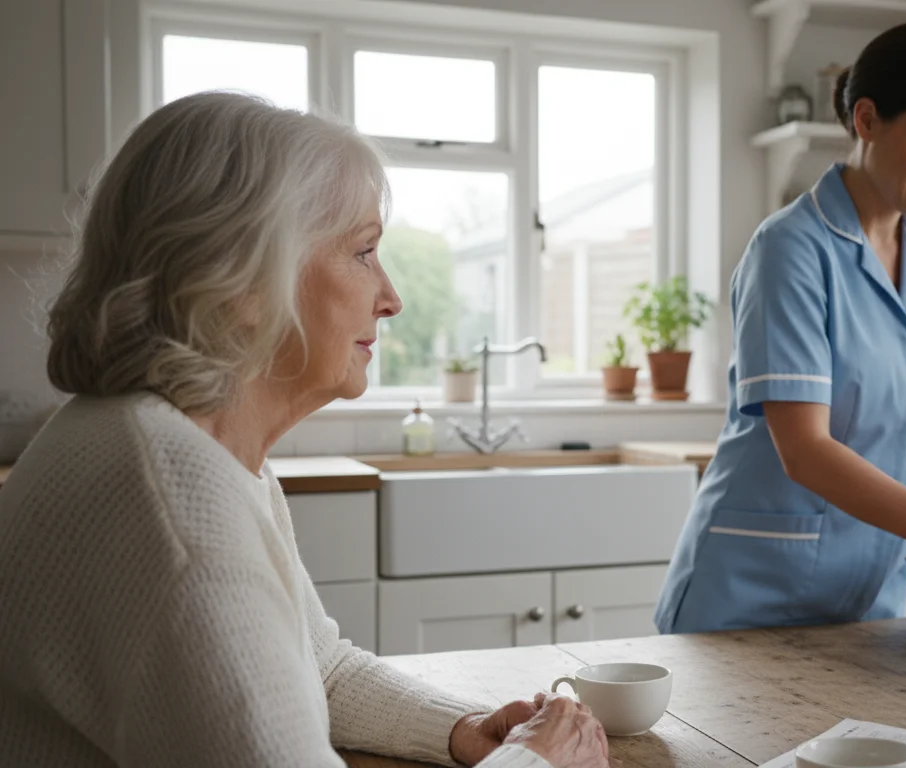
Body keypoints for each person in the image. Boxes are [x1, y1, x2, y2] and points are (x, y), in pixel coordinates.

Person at [0, 92, 608, 768]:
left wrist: (464, 728)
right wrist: (538, 763)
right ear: (245, 277)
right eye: (364, 251)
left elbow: (319, 669)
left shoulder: (188, 447)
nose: (392, 297)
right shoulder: (173, 502)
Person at [654, 22, 906, 635]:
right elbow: (806, 450)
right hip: (748, 599)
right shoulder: (790, 249)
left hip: (868, 601)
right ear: (867, 120)